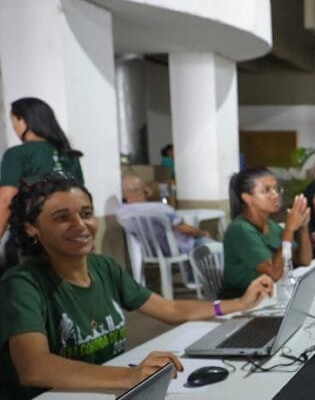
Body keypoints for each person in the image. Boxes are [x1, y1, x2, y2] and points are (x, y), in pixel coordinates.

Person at [0, 174, 273, 399]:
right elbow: (34, 368)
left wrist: (238, 304)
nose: (80, 225)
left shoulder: (103, 267)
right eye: (61, 217)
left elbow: (170, 309)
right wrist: (130, 376)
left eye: (86, 213)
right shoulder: (22, 284)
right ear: (30, 228)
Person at [0, 97, 84, 269]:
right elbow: (82, 199)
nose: (14, 127)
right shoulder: (69, 155)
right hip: (69, 239)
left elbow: (6, 200)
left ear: (23, 121)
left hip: (31, 242)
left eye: (13, 121)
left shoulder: (17, 154)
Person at [219, 167, 312, 299]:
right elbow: (274, 274)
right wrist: (289, 229)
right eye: (266, 190)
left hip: (267, 296)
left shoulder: (270, 225)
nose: (275, 195)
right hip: (240, 300)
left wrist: (303, 226)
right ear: (247, 198)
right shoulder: (240, 230)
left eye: (275, 189)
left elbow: (304, 260)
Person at [116, 174, 216, 282]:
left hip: (150, 251)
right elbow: (183, 228)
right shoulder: (161, 209)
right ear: (145, 190)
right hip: (174, 249)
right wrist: (202, 232)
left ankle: (192, 278)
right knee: (208, 244)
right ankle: (204, 282)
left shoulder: (121, 213)